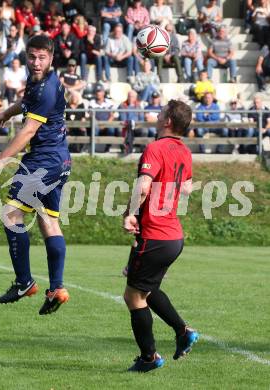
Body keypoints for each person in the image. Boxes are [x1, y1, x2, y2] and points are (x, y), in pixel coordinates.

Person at [0, 35, 71, 315]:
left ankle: (24, 282)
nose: (36, 62)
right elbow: (24, 103)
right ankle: (57, 287)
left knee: (10, 214)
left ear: (51, 58)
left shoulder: (46, 89)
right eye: (32, 56)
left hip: (43, 161)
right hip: (60, 160)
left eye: (42, 57)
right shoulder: (40, 82)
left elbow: (29, 130)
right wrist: (6, 113)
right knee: (49, 223)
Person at [122, 99, 198, 373]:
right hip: (171, 234)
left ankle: (149, 358)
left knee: (133, 296)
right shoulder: (185, 152)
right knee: (144, 286)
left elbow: (143, 187)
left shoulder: (155, 148)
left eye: (161, 112)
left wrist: (130, 213)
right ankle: (182, 331)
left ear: (167, 121)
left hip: (155, 233)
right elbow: (187, 188)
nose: (156, 115)